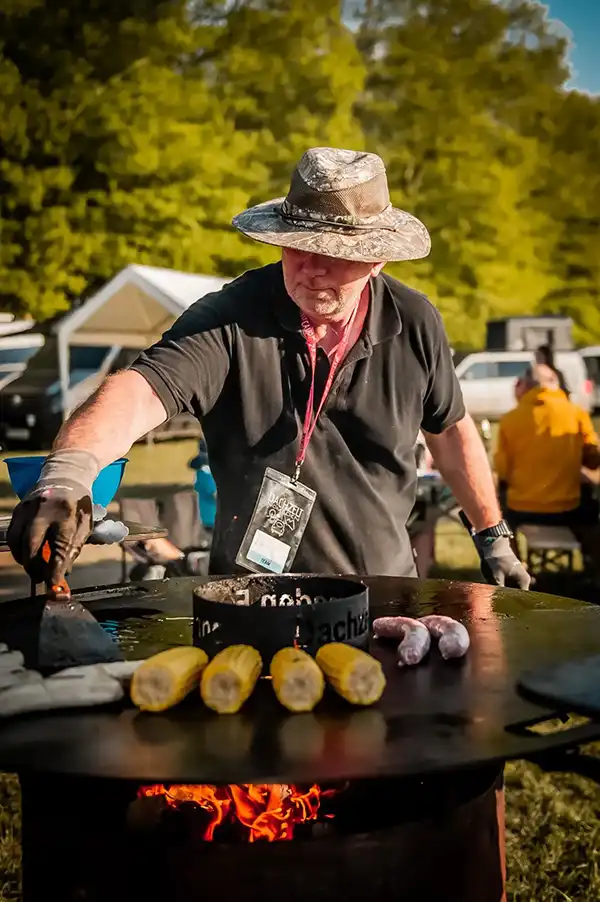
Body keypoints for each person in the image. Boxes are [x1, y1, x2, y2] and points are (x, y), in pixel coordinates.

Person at [8, 146, 524, 902]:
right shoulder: (231, 319)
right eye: (299, 247)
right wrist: (65, 478)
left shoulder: (416, 323)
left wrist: (492, 532)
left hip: (387, 602)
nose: (313, 268)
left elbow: (450, 433)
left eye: (337, 255)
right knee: (261, 779)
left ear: (376, 260)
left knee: (399, 779)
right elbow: (138, 392)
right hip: (248, 612)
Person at [495, 363, 600, 567]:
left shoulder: (509, 420)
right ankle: (592, 569)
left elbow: (503, 471)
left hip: (522, 508)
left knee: (499, 512)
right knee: (592, 512)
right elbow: (593, 460)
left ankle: (515, 568)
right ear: (557, 385)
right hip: (568, 508)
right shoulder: (577, 414)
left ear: (525, 386)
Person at [189, 439, 217, 530]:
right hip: (213, 519)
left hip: (207, 518)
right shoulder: (206, 473)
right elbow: (214, 494)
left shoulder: (200, 472)